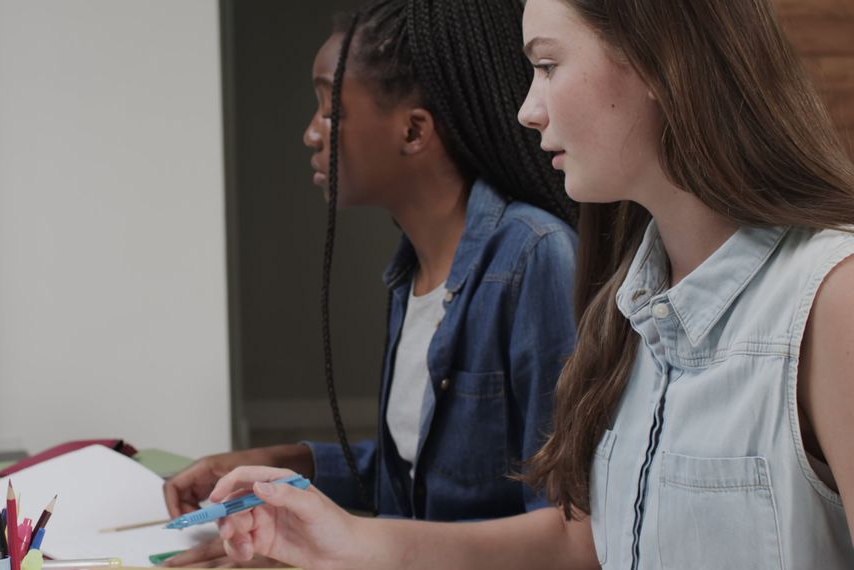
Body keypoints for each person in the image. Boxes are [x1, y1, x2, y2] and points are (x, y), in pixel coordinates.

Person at [208, 0, 854, 567]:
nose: (527, 110)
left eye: (546, 65)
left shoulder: (831, 301)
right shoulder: (625, 309)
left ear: (661, 62)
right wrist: (346, 543)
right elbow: (588, 543)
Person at [162, 0, 579, 566]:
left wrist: (340, 553)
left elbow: (566, 532)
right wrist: (283, 465)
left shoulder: (536, 258)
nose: (311, 133)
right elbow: (421, 473)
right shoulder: (412, 269)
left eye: (330, 110)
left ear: (412, 130)